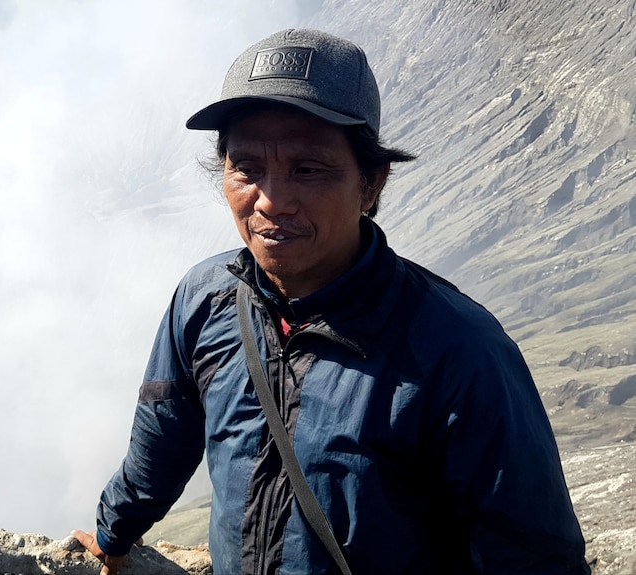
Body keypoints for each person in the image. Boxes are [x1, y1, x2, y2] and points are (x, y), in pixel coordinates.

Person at [73, 29, 589, 575]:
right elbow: (165, 432)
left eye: (308, 170)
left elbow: (533, 554)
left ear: (371, 184)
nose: (271, 200)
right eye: (246, 167)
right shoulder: (204, 299)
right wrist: (114, 531)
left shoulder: (458, 350)